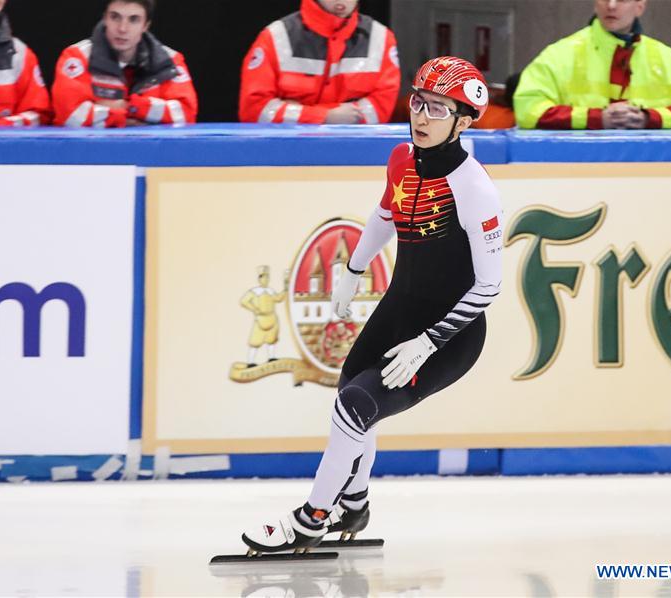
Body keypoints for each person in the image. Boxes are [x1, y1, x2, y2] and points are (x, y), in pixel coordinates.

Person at [241, 57, 503, 553]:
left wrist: (429, 343)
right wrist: (354, 270)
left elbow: (489, 287)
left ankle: (312, 518)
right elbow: (386, 212)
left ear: (464, 121)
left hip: (452, 334)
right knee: (349, 399)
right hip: (401, 306)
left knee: (356, 406)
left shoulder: (475, 190)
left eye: (438, 109)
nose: (422, 117)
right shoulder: (402, 157)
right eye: (418, 102)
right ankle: (354, 502)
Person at [514, 0, 671, 129]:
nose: (611, 5)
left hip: (649, 171)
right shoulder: (558, 55)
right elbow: (527, 109)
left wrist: (649, 119)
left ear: (640, 6)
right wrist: (597, 118)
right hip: (578, 168)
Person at [238, 0, 400, 124]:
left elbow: (381, 107)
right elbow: (254, 109)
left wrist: (294, 109)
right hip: (285, 156)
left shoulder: (382, 39)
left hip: (354, 156)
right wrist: (324, 116)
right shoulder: (274, 37)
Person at [52, 0, 197, 127]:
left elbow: (186, 114)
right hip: (93, 155)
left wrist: (132, 107)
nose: (122, 29)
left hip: (149, 155)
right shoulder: (78, 56)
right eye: (115, 17)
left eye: (133, 19)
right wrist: (125, 119)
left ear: (146, 25)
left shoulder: (170, 60)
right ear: (104, 19)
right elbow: (70, 116)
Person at [240, 266, 289, 367]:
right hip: (260, 319)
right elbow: (243, 301)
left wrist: (286, 288)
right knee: (255, 340)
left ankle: (271, 357)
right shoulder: (254, 292)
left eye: (267, 277)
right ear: (259, 278)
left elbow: (278, 299)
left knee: (272, 339)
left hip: (272, 318)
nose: (266, 279)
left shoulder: (270, 291)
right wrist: (254, 309)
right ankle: (250, 361)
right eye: (263, 277)